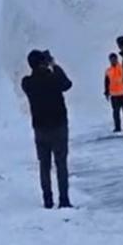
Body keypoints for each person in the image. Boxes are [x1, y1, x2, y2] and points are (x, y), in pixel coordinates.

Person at [21, 49, 73, 209]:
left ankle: (48, 200)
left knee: (44, 165)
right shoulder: (53, 78)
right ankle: (64, 200)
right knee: (61, 164)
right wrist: (54, 65)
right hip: (58, 126)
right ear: (43, 62)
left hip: (40, 128)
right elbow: (67, 84)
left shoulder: (27, 82)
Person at [104, 53, 123, 133]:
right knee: (116, 112)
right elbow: (107, 82)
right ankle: (117, 127)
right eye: (111, 59)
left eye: (114, 59)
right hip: (114, 95)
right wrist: (107, 92)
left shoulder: (122, 68)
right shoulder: (108, 71)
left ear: (117, 59)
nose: (113, 61)